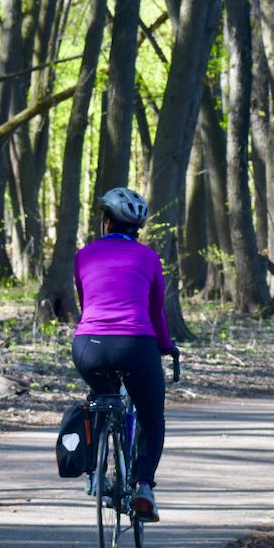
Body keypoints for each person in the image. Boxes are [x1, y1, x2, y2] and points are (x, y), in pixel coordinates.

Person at [72, 187, 177, 522]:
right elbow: (156, 311)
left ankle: (95, 473)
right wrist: (166, 345)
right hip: (136, 344)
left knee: (100, 400)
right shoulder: (148, 258)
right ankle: (144, 486)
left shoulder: (83, 255)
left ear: (106, 222)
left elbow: (85, 303)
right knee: (151, 416)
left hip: (89, 344)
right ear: (137, 228)